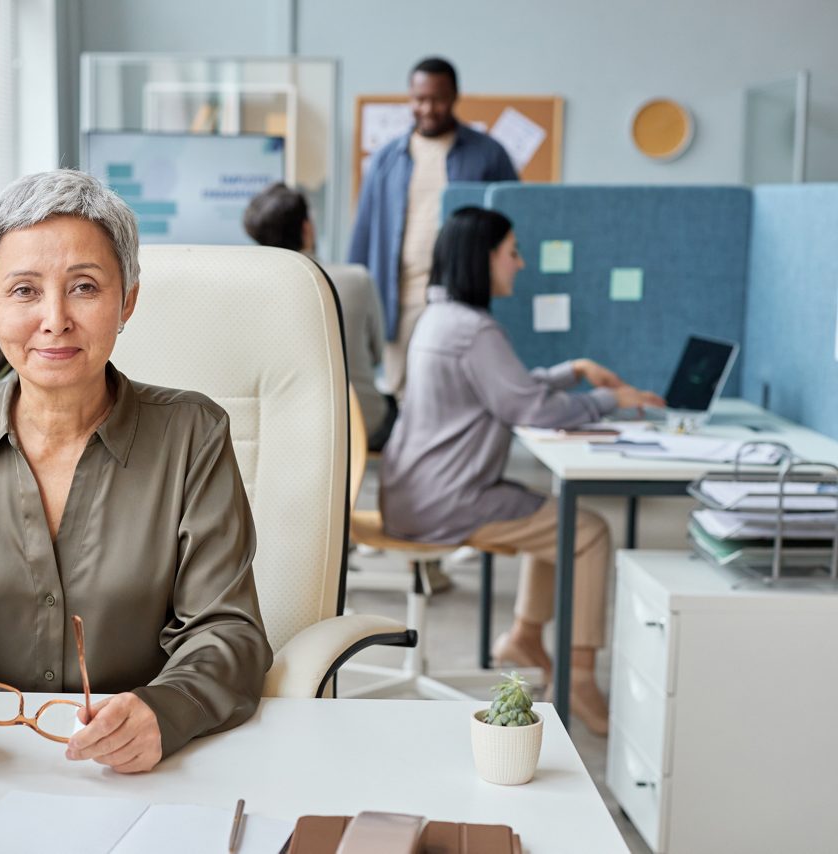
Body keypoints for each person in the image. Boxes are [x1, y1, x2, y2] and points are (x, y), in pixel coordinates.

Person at [0, 170, 273, 773]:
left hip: (141, 774)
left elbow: (230, 634)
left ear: (128, 301)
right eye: (24, 291)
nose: (55, 319)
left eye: (85, 287)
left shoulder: (193, 436)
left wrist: (166, 709)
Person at [379, 207, 664, 735]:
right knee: (588, 531)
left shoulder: (438, 319)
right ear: (482, 257)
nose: (520, 263)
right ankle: (579, 678)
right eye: (511, 251)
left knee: (556, 518)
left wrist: (572, 371)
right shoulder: (475, 329)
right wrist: (609, 398)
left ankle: (525, 636)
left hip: (415, 492)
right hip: (448, 501)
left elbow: (506, 387)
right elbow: (531, 409)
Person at [348, 57, 519, 401]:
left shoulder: (488, 154)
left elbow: (510, 229)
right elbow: (363, 236)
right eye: (418, 99)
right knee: (402, 397)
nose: (427, 108)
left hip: (462, 300)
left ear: (455, 96)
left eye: (437, 99)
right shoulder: (385, 160)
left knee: (458, 396)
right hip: (401, 301)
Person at [242, 182, 395, 449]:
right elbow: (376, 357)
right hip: (360, 426)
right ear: (307, 229)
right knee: (392, 406)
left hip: (287, 428)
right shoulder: (356, 279)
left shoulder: (249, 290)